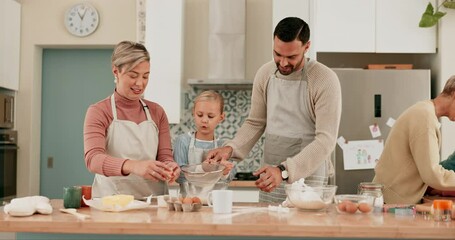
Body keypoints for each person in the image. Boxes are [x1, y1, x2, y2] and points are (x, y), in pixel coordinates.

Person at [205, 17, 342, 203]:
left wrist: (284, 171)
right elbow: (255, 122)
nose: (283, 63)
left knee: (306, 228)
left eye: (291, 56)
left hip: (308, 177)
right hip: (271, 176)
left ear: (306, 46)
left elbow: (325, 140)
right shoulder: (265, 74)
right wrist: (230, 149)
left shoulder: (324, 79)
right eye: (277, 54)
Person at [83, 41, 180, 200]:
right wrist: (135, 166)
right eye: (133, 75)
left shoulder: (157, 112)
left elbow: (164, 157)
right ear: (116, 71)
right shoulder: (99, 111)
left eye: (145, 76)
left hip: (154, 204)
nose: (140, 83)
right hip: (111, 204)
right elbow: (93, 160)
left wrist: (170, 167)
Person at [373, 75, 455, 204]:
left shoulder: (424, 111)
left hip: (389, 198)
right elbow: (433, 175)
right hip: (391, 203)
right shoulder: (425, 118)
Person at [173, 90, 235, 194]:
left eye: (210, 116)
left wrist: (224, 171)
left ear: (221, 117)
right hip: (189, 203)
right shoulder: (183, 141)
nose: (204, 120)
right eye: (200, 115)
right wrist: (203, 169)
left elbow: (229, 178)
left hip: (215, 204)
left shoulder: (224, 146)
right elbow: (179, 177)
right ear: (193, 113)